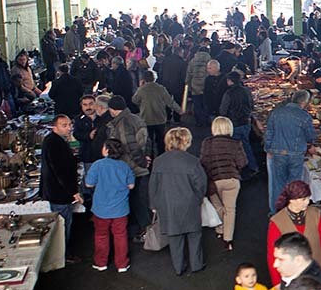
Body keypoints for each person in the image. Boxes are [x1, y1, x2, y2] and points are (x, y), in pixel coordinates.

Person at [149, 127, 207, 276]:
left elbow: (153, 185)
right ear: (185, 141)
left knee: (174, 236)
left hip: (167, 204)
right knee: (194, 235)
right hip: (189, 203)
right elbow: (201, 184)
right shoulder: (193, 161)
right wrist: (198, 198)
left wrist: (154, 204)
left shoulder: (158, 161)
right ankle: (197, 264)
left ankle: (179, 267)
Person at [267, 180, 321, 287]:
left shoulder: (315, 214)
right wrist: (276, 282)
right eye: (303, 199)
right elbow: (272, 254)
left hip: (317, 272)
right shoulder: (277, 221)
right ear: (292, 200)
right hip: (292, 277)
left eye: (308, 198)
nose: (307, 202)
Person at [85, 138, 135, 272]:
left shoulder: (97, 165)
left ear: (106, 150)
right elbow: (131, 185)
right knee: (120, 235)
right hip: (120, 209)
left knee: (101, 235)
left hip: (101, 208)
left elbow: (88, 184)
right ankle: (122, 264)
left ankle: (101, 263)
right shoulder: (124, 166)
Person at [105, 95, 151, 240]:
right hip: (141, 167)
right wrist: (148, 157)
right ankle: (145, 230)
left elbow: (131, 146)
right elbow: (147, 141)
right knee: (141, 201)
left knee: (137, 202)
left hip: (132, 169)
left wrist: (142, 162)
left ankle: (144, 232)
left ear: (112, 109)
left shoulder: (122, 124)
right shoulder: (136, 119)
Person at [264, 90, 316, 215]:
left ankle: (276, 211)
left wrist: (268, 149)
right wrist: (311, 144)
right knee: (294, 183)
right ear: (303, 102)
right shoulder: (304, 116)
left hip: (277, 152)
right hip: (296, 153)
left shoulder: (276, 113)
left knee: (277, 183)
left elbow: (269, 133)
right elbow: (310, 136)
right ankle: (293, 210)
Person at [201, 116, 248, 251]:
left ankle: (220, 228)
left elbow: (203, 162)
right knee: (230, 210)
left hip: (213, 181)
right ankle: (228, 239)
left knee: (217, 207)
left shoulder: (207, 143)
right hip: (231, 180)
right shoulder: (235, 143)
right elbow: (243, 162)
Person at [40, 114, 83, 254]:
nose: (69, 128)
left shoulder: (55, 140)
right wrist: (73, 191)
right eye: (64, 125)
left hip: (57, 190)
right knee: (63, 225)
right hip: (59, 192)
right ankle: (62, 254)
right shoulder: (54, 143)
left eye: (70, 125)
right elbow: (60, 171)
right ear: (54, 127)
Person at [219, 71, 258, 176]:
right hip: (246, 123)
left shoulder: (228, 93)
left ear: (229, 81)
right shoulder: (246, 91)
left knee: (235, 148)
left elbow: (223, 110)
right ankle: (253, 166)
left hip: (234, 124)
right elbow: (252, 105)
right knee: (246, 144)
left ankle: (239, 169)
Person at [132, 70, 178, 156]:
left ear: (144, 79)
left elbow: (134, 100)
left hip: (146, 118)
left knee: (148, 140)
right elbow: (170, 102)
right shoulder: (161, 88)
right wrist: (179, 110)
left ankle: (150, 157)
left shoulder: (142, 89)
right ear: (154, 78)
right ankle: (161, 155)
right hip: (160, 118)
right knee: (161, 139)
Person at [187, 44, 212, 126]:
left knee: (197, 105)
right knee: (206, 104)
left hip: (195, 85)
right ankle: (206, 120)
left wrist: (188, 84)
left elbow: (189, 74)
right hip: (206, 85)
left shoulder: (192, 61)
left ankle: (199, 121)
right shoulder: (209, 60)